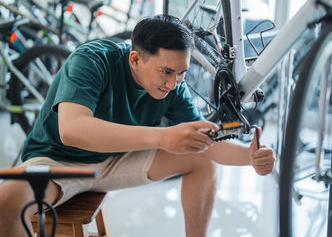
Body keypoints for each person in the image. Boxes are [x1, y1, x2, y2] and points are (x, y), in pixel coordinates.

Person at [0, 14, 275, 237]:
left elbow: (206, 142)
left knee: (201, 160)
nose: (173, 83)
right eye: (166, 71)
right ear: (135, 59)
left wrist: (250, 157)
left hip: (116, 160)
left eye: (182, 73)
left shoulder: (174, 87)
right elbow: (72, 130)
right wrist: (161, 137)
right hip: (58, 162)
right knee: (5, 203)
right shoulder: (91, 60)